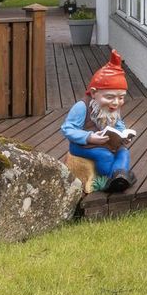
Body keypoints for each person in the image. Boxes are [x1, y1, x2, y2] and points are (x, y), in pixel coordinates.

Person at [60, 51, 136, 193]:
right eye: (110, 97)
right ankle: (110, 179)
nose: (116, 102)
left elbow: (118, 123)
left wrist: (123, 135)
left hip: (107, 143)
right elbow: (67, 129)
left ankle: (119, 177)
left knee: (123, 152)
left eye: (121, 98)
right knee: (104, 155)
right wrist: (89, 137)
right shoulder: (82, 107)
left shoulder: (112, 108)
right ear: (94, 93)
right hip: (83, 145)